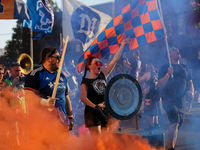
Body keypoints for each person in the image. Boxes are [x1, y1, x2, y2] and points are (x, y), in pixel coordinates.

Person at [80, 38, 131, 140]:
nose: (99, 64)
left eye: (100, 62)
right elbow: (83, 98)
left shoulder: (103, 75)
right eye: (96, 63)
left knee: (105, 140)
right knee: (98, 142)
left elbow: (114, 60)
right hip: (93, 113)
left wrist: (122, 45)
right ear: (89, 66)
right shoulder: (86, 81)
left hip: (104, 111)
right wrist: (95, 106)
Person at [24, 47, 74, 148]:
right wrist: (45, 102)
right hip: (41, 124)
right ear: (48, 59)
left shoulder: (62, 76)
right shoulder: (36, 75)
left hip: (61, 123)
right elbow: (28, 95)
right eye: (57, 57)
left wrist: (70, 117)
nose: (60, 60)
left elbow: (66, 98)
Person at [158, 47, 194, 150]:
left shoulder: (185, 67)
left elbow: (190, 82)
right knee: (175, 120)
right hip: (168, 99)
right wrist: (168, 74)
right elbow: (160, 85)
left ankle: (172, 147)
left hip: (181, 100)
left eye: (177, 49)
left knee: (177, 124)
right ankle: (170, 148)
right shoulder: (165, 67)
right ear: (169, 55)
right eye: (174, 49)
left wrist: (190, 91)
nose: (177, 50)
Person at [2, 62, 27, 150]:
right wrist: (13, 84)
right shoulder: (7, 81)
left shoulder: (22, 80)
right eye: (16, 70)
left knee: (22, 133)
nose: (19, 72)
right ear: (11, 71)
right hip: (11, 113)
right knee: (14, 134)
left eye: (20, 70)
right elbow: (5, 95)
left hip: (22, 111)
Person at [138, 63, 160, 131]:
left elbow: (139, 79)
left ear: (148, 69)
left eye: (147, 68)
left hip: (150, 95)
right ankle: (156, 124)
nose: (146, 69)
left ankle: (151, 126)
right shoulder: (155, 74)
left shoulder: (148, 73)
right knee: (155, 110)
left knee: (150, 110)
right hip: (156, 95)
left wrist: (139, 72)